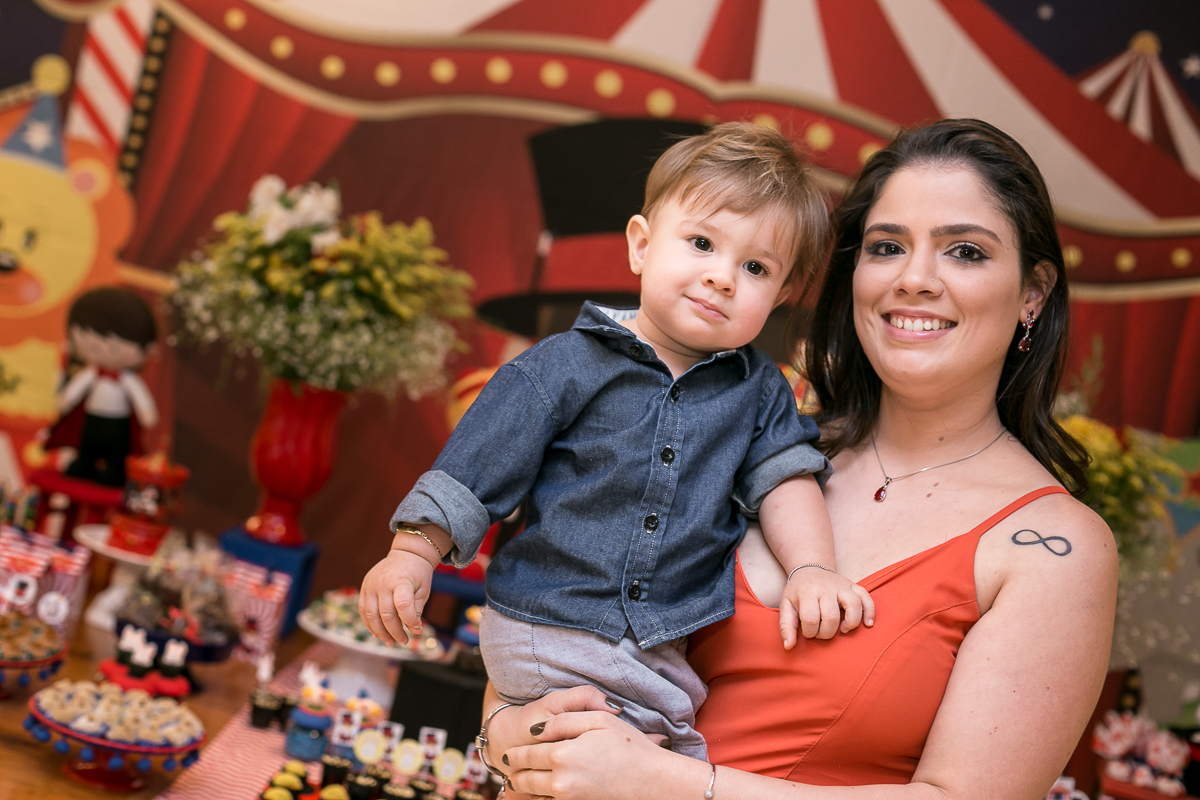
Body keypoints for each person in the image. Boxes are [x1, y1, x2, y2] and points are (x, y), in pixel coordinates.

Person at [485, 118, 1119, 800]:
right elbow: (552, 615)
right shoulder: (745, 442)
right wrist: (504, 737)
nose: (915, 278)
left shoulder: (1057, 549)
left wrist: (664, 783)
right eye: (886, 246)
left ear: (1033, 291)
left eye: (964, 251)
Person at [359, 122, 875, 759]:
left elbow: (785, 479)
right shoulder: (565, 365)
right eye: (701, 243)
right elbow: (475, 468)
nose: (721, 277)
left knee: (660, 760)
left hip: (655, 651)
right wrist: (412, 555)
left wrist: (813, 569)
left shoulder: (760, 392)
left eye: (755, 267)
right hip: (548, 624)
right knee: (625, 761)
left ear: (780, 298)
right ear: (641, 245)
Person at [44, 286, 159, 486]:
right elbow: (74, 392)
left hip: (117, 425)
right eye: (93, 344)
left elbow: (142, 402)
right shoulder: (91, 374)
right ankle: (84, 464)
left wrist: (147, 413)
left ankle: (114, 471)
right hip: (91, 421)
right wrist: (66, 401)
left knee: (117, 450)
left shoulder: (127, 380)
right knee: (86, 445)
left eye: (114, 346)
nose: (103, 349)